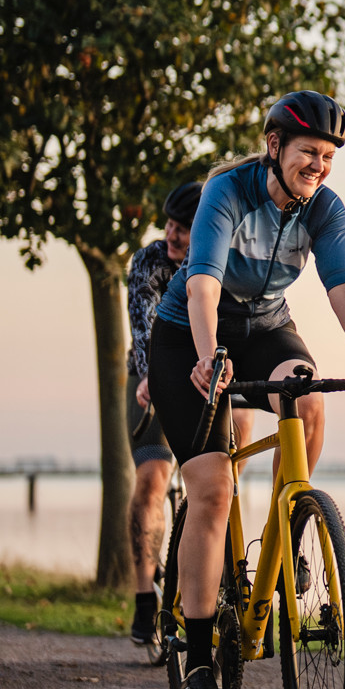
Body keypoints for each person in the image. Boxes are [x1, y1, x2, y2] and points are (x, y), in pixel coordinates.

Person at [145, 91, 345, 689]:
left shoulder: (326, 209)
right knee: (212, 491)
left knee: (304, 393)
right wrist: (206, 354)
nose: (318, 164)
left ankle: (292, 523)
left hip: (264, 328)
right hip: (187, 337)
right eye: (309, 151)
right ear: (275, 145)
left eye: (328, 155)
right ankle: (199, 657)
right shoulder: (227, 192)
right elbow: (202, 282)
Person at [122, 180, 203, 647]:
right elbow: (142, 319)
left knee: (221, 480)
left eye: (184, 229)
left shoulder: (216, 259)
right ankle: (143, 595)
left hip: (205, 377)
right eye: (170, 225)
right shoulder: (149, 260)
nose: (173, 235)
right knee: (152, 480)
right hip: (149, 376)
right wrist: (153, 377)